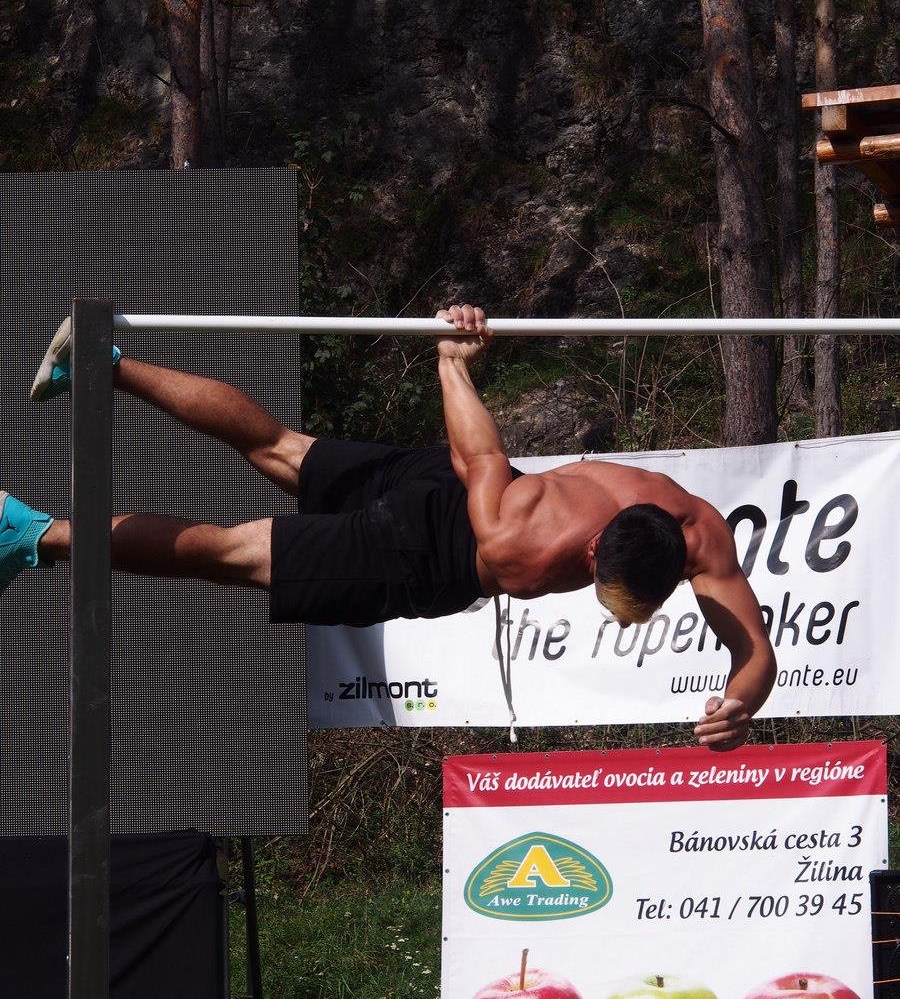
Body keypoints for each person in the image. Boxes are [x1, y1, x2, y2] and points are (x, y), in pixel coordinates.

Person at [2, 305, 776, 750]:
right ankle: (31, 532)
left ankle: (99, 361)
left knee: (280, 448)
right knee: (234, 555)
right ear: (595, 546)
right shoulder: (529, 550)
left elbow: (755, 652)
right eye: (597, 582)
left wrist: (740, 703)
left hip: (444, 482)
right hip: (429, 547)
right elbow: (481, 455)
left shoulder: (698, 526)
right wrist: (451, 361)